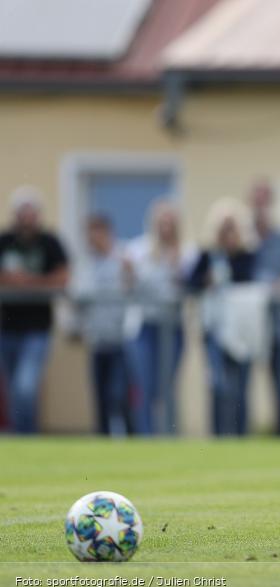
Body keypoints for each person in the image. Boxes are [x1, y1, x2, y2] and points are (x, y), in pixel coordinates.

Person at [0, 186, 69, 433]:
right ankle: (21, 435)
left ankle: (27, 434)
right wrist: (14, 280)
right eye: (23, 212)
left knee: (26, 385)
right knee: (12, 388)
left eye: (31, 212)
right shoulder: (5, 241)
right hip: (6, 327)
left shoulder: (50, 242)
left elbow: (62, 277)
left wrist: (27, 281)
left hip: (37, 329)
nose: (27, 218)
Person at [188, 199, 258, 436]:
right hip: (214, 329)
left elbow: (250, 282)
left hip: (242, 329)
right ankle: (218, 434)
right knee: (218, 384)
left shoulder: (247, 255)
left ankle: (240, 435)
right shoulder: (207, 255)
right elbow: (191, 283)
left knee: (240, 387)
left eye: (232, 228)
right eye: (223, 228)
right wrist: (205, 280)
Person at [127, 201, 196, 434]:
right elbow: (132, 286)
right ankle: (145, 435)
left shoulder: (187, 252)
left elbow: (187, 286)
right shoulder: (137, 250)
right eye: (162, 223)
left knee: (166, 386)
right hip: (145, 327)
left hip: (173, 327)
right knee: (144, 384)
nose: (166, 228)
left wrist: (177, 266)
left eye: (170, 224)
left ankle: (169, 433)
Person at [74, 214, 136, 435]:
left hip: (122, 341)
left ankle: (130, 438)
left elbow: (132, 291)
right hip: (97, 341)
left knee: (118, 395)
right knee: (100, 397)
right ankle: (103, 439)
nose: (94, 238)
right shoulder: (85, 265)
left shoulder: (123, 259)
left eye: (97, 232)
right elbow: (78, 299)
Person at [248, 179, 280, 436]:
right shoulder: (242, 239)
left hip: (276, 325)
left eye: (264, 200)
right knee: (239, 386)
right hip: (246, 326)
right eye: (257, 200)